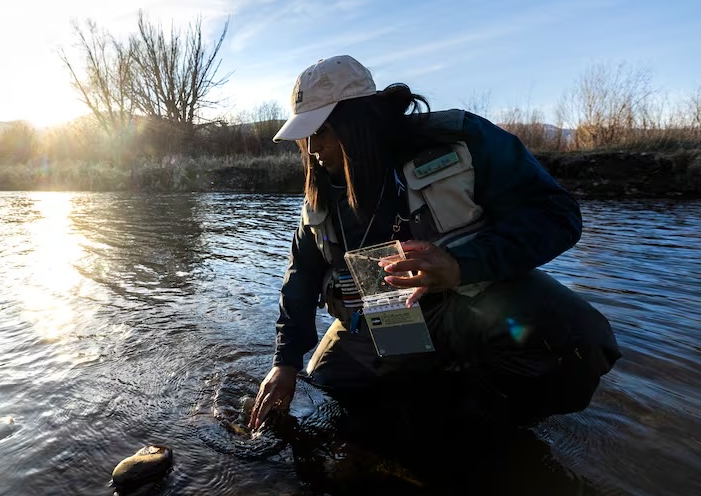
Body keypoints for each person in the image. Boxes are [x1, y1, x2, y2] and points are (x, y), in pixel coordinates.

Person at [249, 55, 621, 430]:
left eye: (321, 131)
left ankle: (479, 427)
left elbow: (558, 216)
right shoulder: (322, 190)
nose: (312, 148)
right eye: (305, 136)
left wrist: (461, 265)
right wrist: (285, 362)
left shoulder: (462, 140)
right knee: (330, 385)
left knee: (580, 344)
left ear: (358, 119)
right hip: (385, 322)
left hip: (474, 306)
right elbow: (301, 276)